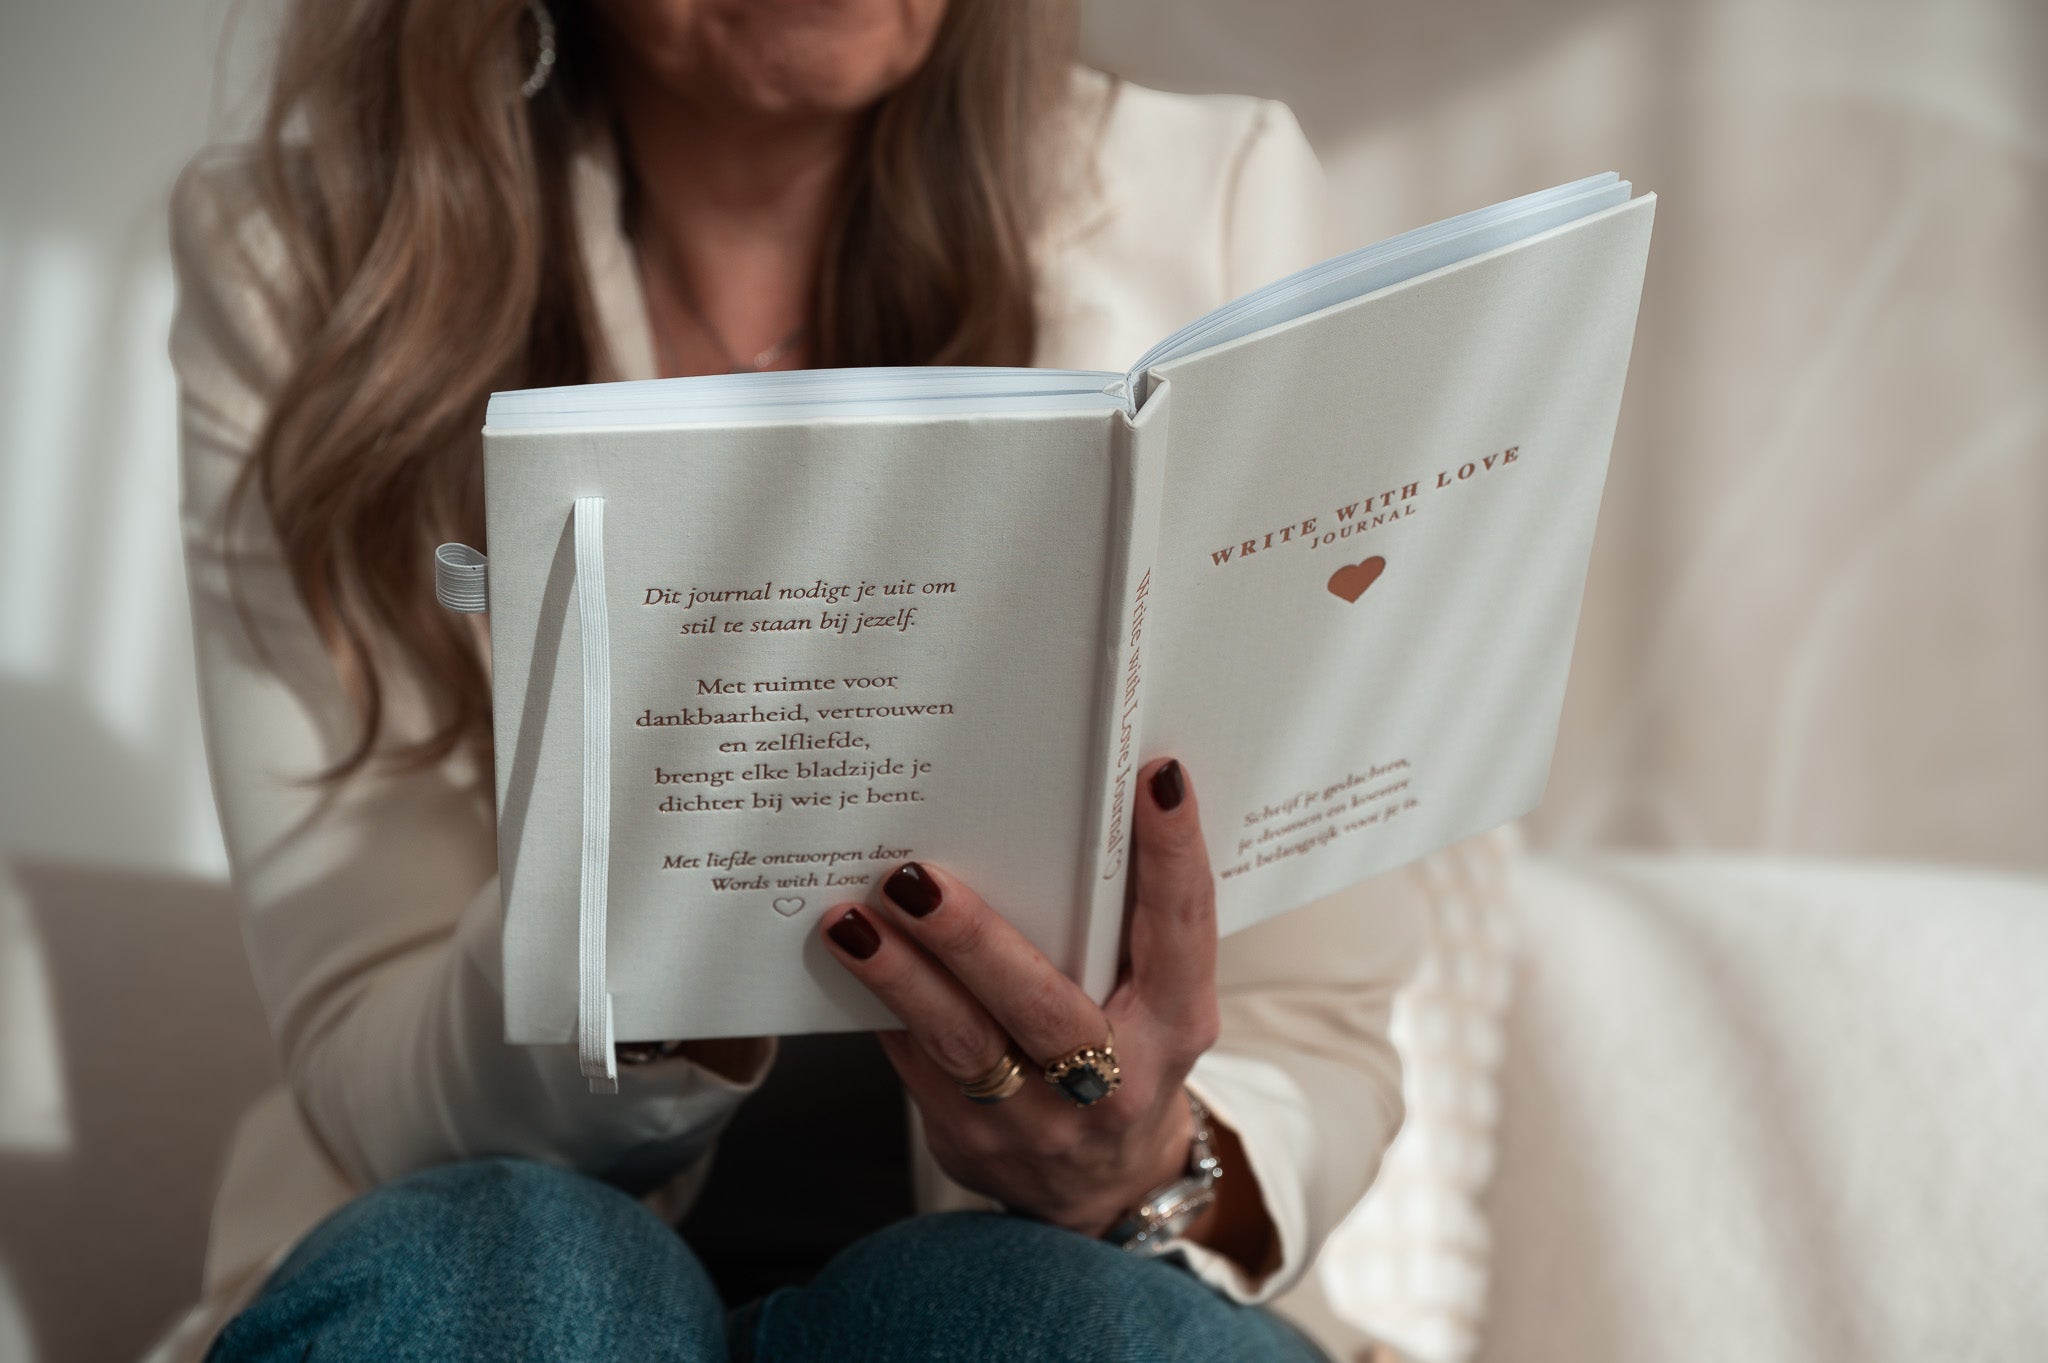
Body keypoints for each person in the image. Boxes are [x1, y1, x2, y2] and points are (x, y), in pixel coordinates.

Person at [153, 1, 1427, 1358]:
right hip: (492, 1222)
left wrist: (1146, 1165)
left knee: (1041, 1318)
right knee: (489, 1278)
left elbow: (1312, 1018)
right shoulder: (313, 254)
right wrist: (634, 920)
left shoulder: (1212, 207)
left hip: (1081, 1275)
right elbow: (368, 1045)